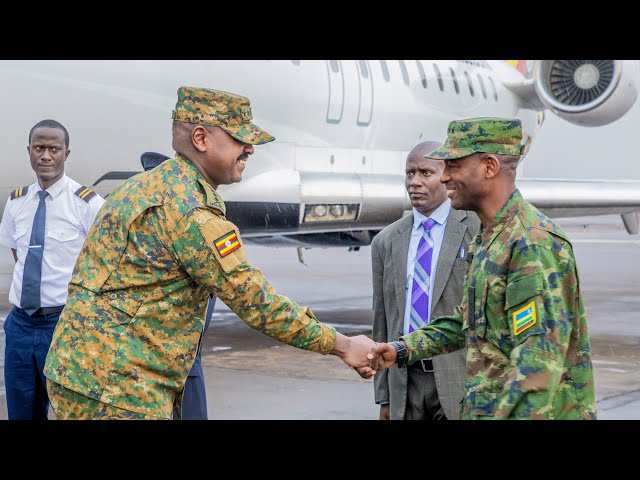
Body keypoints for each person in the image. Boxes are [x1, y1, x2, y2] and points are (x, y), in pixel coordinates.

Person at [43, 87, 376, 420]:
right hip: (121, 390)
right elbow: (258, 304)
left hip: (75, 371)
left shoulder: (138, 187)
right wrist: (343, 345)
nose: (250, 149)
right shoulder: (193, 215)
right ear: (201, 138)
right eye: (239, 139)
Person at [367, 117, 597, 420]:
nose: (445, 177)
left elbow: (537, 367)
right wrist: (402, 349)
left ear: (489, 167)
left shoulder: (531, 244)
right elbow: (469, 320)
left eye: (454, 166)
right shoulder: (490, 239)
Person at [0, 119, 104, 420]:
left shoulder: (88, 204)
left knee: (69, 410)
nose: (45, 155)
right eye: (39, 148)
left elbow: (103, 260)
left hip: (62, 324)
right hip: (20, 324)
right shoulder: (16, 201)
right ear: (29, 151)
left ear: (66, 154)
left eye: (54, 149)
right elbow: (18, 254)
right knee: (21, 410)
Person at [372, 140, 480, 420]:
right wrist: (384, 396)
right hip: (404, 380)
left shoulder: (476, 230)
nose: (414, 182)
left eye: (425, 173)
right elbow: (382, 319)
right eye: (410, 173)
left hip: (457, 377)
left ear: (446, 176)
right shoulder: (386, 241)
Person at [140, 150, 216, 420]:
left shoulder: (199, 224)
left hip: (182, 355)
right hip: (144, 359)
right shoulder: (147, 228)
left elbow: (208, 300)